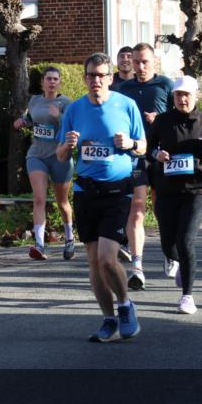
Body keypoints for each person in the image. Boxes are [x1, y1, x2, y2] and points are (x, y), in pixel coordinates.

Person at [56, 52, 146, 342]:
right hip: (86, 191)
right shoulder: (74, 109)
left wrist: (130, 143)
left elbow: (143, 146)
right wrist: (67, 146)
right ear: (85, 78)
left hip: (117, 191)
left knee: (108, 259)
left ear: (110, 78)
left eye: (101, 75)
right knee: (93, 262)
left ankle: (125, 305)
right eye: (91, 75)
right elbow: (59, 155)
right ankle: (108, 319)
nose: (96, 80)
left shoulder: (126, 105)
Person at [148, 76, 202, 314]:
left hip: (198, 188)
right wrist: (157, 155)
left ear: (196, 96)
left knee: (185, 240)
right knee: (168, 245)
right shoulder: (163, 121)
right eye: (178, 95)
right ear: (173, 97)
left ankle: (187, 296)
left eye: (187, 95)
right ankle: (182, 263)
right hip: (167, 189)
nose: (182, 99)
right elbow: (147, 149)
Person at [112, 42, 174, 290]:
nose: (139, 66)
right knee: (136, 209)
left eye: (145, 61)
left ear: (154, 61)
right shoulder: (123, 88)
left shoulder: (165, 85)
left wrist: (160, 119)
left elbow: (182, 116)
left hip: (162, 156)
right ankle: (137, 266)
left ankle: (170, 251)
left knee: (162, 210)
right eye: (136, 61)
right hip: (135, 156)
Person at [12, 66, 75, 260]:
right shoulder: (35, 100)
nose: (52, 82)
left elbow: (73, 125)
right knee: (38, 199)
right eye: (49, 78)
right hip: (37, 154)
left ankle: (70, 238)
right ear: (43, 82)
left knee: (62, 202)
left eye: (55, 79)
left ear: (60, 82)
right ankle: (39, 245)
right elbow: (31, 119)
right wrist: (22, 122)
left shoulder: (66, 103)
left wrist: (59, 117)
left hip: (59, 156)